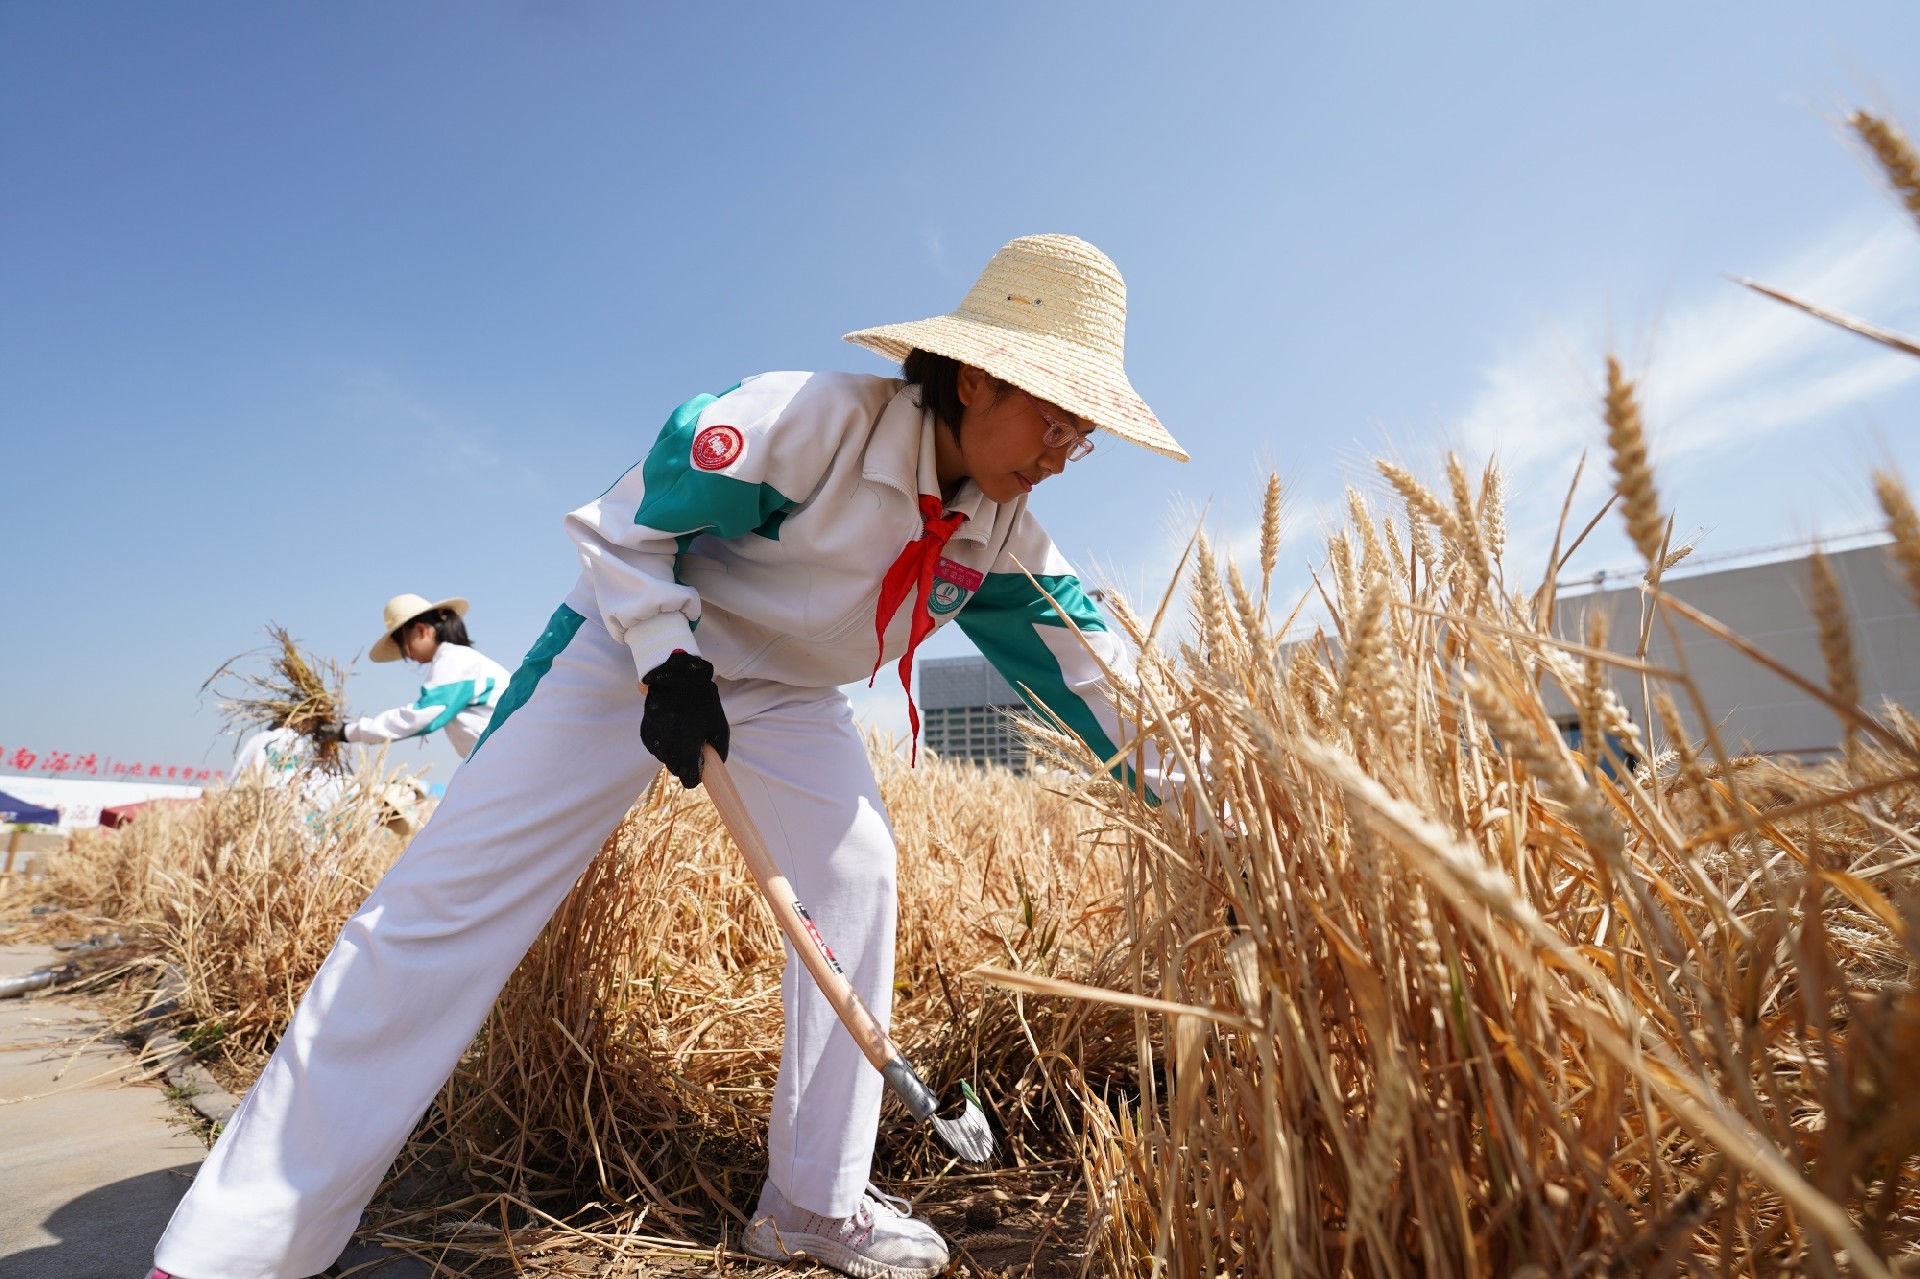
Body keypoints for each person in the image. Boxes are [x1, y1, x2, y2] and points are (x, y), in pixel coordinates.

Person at [148, 234, 1186, 1279]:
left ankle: (812, 1202)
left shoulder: (1003, 537)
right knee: (446, 904)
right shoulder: (808, 422)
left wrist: (1233, 820)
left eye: (1082, 433)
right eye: (1055, 417)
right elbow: (625, 524)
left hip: (786, 694)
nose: (1062, 451)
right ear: (975, 376)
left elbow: (1107, 690)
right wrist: (665, 659)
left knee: (858, 875)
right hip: (629, 637)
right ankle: (238, 1245)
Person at [315, 594, 512, 760]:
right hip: (505, 758)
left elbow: (421, 716)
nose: (406, 654)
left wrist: (347, 731)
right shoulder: (466, 660)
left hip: (509, 759)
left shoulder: (455, 660)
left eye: (403, 643)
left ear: (421, 630)